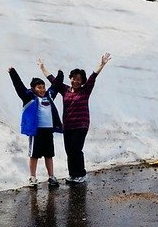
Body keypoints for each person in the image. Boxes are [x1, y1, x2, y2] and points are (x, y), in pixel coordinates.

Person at [39, 53, 111, 184]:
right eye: (73, 78)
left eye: (78, 79)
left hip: (81, 125)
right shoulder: (65, 90)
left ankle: (81, 174)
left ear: (82, 81)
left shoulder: (85, 90)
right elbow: (53, 81)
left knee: (76, 149)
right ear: (70, 78)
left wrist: (102, 64)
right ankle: (73, 174)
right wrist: (43, 68)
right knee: (69, 150)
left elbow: (93, 77)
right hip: (67, 125)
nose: (75, 81)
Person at [8, 66, 64, 188]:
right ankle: (32, 177)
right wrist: (13, 73)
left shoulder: (49, 96)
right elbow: (19, 86)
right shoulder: (28, 97)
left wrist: (60, 73)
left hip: (48, 131)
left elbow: (56, 85)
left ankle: (51, 176)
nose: (42, 89)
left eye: (43, 87)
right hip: (36, 131)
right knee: (34, 155)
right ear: (33, 89)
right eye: (39, 87)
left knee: (49, 154)